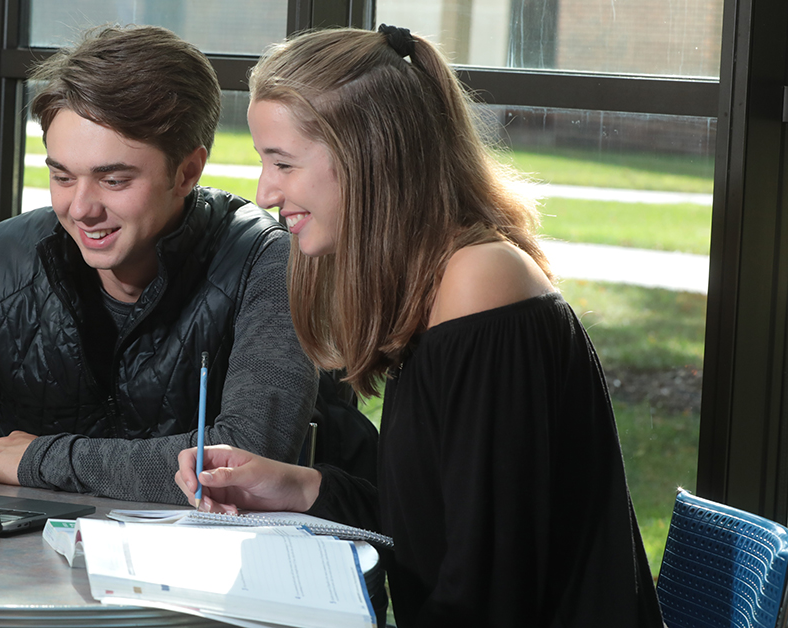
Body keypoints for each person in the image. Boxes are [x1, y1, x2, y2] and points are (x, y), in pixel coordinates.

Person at [175, 26, 664, 626]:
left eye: (282, 163)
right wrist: (294, 489)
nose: (266, 192)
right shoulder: (436, 282)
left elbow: (488, 591)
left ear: (369, 156)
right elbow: (438, 526)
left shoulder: (479, 285)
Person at [0, 25, 333, 505]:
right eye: (63, 176)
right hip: (15, 565)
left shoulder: (267, 262)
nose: (82, 208)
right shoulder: (1, 260)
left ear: (187, 171)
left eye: (112, 180)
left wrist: (38, 459)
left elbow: (243, 464)